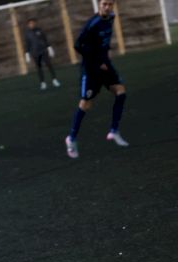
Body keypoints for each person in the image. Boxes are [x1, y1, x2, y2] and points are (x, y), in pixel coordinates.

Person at [65, 0, 128, 159]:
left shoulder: (111, 17)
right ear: (99, 4)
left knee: (120, 91)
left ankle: (114, 131)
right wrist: (97, 61)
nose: (107, 7)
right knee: (86, 104)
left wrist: (104, 54)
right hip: (91, 69)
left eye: (110, 4)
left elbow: (102, 41)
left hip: (105, 64)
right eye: (104, 4)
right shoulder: (92, 24)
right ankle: (71, 138)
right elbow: (78, 45)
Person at [24, 18, 60, 90]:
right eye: (30, 24)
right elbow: (27, 44)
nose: (32, 25)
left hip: (43, 51)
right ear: (28, 25)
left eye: (33, 23)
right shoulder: (27, 33)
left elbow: (45, 39)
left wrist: (49, 48)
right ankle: (43, 83)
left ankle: (54, 80)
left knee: (49, 65)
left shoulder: (39, 30)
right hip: (35, 53)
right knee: (39, 68)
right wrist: (27, 54)